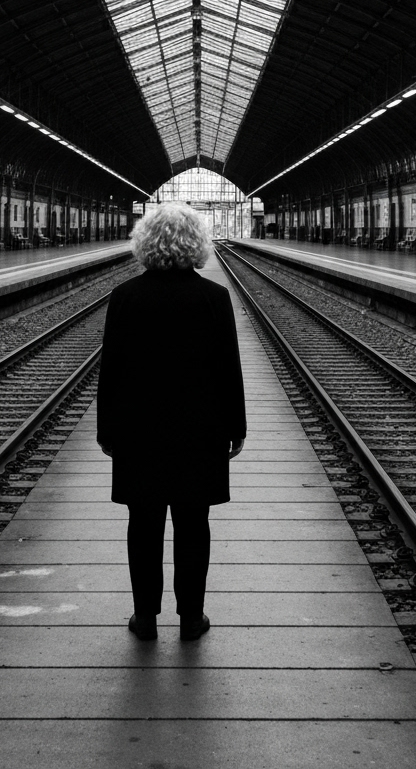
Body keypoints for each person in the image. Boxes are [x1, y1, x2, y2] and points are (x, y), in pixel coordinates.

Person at [96, 203, 246, 641]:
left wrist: (107, 431)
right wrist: (235, 428)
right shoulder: (214, 298)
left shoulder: (125, 296)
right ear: (196, 245)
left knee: (142, 523)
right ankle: (190, 618)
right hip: (199, 431)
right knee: (193, 524)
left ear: (144, 243)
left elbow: (112, 371)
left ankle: (144, 619)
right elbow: (228, 369)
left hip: (138, 431)